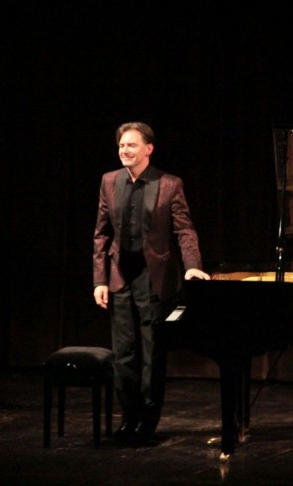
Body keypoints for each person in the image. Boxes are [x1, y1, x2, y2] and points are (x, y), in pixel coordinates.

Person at [92, 121, 210, 446]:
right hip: (119, 276)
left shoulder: (169, 184)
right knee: (123, 353)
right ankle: (128, 417)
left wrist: (192, 266)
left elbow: (184, 229)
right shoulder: (109, 181)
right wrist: (99, 279)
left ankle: (148, 420)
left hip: (152, 278)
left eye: (131, 145)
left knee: (152, 352)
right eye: (121, 145)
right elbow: (101, 234)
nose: (124, 150)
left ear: (148, 149)